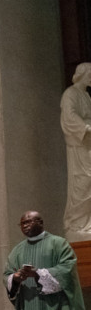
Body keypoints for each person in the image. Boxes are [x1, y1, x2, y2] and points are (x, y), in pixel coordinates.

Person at [61, 63, 91, 242]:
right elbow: (69, 117)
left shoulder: (87, 96)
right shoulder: (70, 94)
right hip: (79, 145)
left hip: (88, 144)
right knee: (82, 181)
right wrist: (86, 127)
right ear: (81, 74)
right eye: (89, 74)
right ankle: (76, 223)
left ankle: (86, 223)